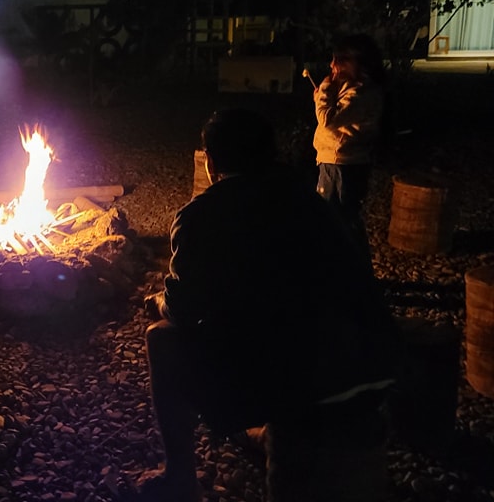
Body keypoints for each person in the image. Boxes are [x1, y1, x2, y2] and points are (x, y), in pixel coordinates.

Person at [138, 108, 397, 501]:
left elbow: (184, 308)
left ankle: (180, 478)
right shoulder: (311, 201)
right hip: (374, 365)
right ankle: (263, 427)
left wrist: (159, 301)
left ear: (210, 160)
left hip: (302, 383)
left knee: (163, 338)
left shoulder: (202, 215)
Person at [313, 33, 386, 250]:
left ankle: (347, 265)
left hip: (341, 162)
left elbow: (328, 120)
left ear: (355, 62)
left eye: (338, 60)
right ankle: (346, 263)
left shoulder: (361, 92)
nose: (332, 65)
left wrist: (325, 89)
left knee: (337, 217)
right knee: (339, 216)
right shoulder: (355, 89)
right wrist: (324, 96)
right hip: (339, 160)